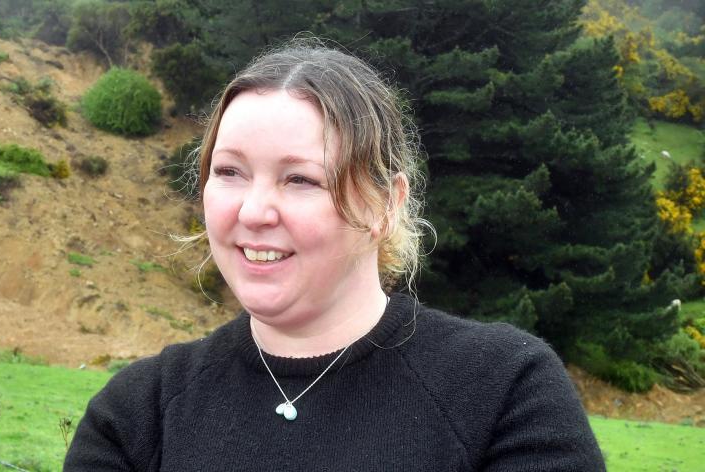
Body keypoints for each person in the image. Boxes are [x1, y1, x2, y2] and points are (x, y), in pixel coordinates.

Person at [64, 39, 606, 471]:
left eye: (300, 179)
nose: (254, 211)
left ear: (386, 205)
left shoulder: (504, 389)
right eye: (229, 172)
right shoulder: (136, 414)